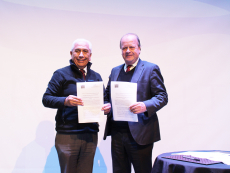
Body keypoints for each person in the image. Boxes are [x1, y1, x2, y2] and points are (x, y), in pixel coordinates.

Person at [42, 39, 111, 173]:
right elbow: (46, 99)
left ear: (90, 55)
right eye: (77, 51)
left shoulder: (96, 76)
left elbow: (104, 100)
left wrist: (107, 107)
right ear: (71, 53)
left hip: (90, 134)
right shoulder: (60, 74)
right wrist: (65, 101)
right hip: (67, 134)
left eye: (85, 51)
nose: (81, 55)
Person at [103, 33, 168, 173]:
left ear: (139, 48)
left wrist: (145, 106)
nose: (127, 51)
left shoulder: (151, 69)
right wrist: (107, 104)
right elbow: (107, 95)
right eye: (124, 47)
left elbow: (162, 96)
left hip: (141, 134)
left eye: (131, 47)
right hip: (117, 133)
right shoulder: (115, 71)